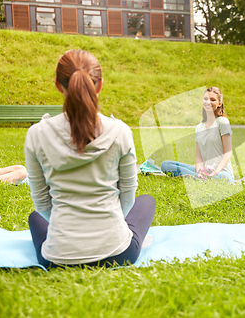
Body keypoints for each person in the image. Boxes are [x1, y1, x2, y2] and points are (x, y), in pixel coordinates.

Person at [25, 50, 156, 269]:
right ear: (100, 85)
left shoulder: (36, 134)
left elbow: (41, 204)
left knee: (35, 218)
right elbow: (128, 196)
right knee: (147, 201)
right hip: (118, 253)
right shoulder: (121, 131)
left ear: (58, 85)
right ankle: (126, 237)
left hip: (57, 258)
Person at [161, 87, 234, 182]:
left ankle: (196, 177)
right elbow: (199, 157)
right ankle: (198, 177)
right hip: (205, 171)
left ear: (219, 103)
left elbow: (228, 152)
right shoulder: (199, 127)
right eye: (206, 99)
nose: (208, 102)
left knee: (218, 177)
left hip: (223, 173)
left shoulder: (222, 122)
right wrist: (199, 171)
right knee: (166, 165)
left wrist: (216, 171)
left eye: (213, 100)